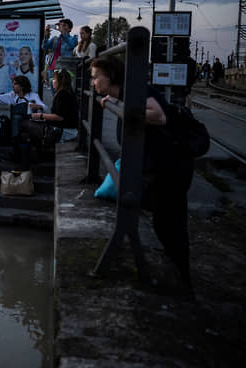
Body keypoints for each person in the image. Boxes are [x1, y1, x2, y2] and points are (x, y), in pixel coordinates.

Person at [91, 56, 194, 291]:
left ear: (111, 76)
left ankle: (182, 283)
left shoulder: (136, 90)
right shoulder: (125, 93)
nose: (93, 83)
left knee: (170, 226)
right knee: (163, 223)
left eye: (97, 77)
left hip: (172, 168)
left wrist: (117, 106)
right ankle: (178, 277)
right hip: (161, 167)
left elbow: (158, 116)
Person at [29, 69, 78, 142]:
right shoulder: (67, 92)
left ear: (60, 81)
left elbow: (59, 117)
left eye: (54, 79)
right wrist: (40, 107)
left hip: (65, 132)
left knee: (27, 125)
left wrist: (40, 116)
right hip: (66, 129)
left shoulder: (62, 94)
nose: (52, 81)